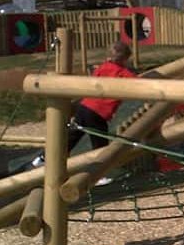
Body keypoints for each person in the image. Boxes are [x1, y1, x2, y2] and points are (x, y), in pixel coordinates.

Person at [29, 41, 137, 185]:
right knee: (100, 145)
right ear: (124, 59)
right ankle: (98, 175)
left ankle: (42, 158)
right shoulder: (121, 72)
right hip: (98, 113)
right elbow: (136, 83)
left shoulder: (102, 67)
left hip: (85, 107)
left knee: (71, 138)